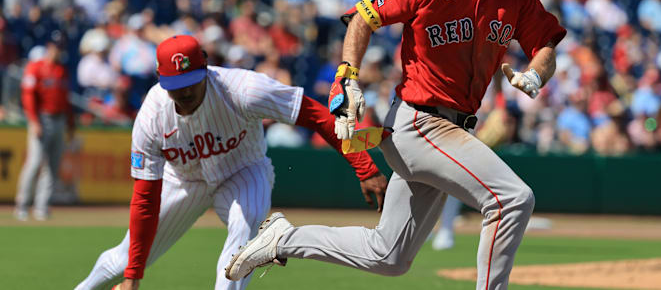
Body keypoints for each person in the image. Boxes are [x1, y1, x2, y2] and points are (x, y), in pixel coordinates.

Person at [226, 0, 566, 290]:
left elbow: (545, 44)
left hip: (452, 130)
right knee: (512, 199)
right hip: (420, 124)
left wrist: (537, 75)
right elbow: (361, 18)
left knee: (387, 256)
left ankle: (283, 239)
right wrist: (347, 76)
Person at [75, 35, 387, 290]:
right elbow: (145, 200)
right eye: (175, 85)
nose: (183, 91)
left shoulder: (244, 90)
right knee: (123, 259)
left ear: (206, 67)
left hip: (243, 170)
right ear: (159, 79)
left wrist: (365, 166)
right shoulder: (151, 117)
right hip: (183, 180)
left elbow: (316, 115)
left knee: (243, 233)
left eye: (190, 81)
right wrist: (133, 276)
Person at [15, 30, 75, 221]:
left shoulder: (62, 70)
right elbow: (28, 96)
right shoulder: (36, 67)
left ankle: (42, 206)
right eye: (56, 47)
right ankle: (22, 204)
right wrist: (33, 121)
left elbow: (66, 101)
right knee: (34, 162)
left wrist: (70, 124)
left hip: (59, 120)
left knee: (53, 166)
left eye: (60, 47)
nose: (58, 50)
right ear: (49, 47)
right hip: (42, 118)